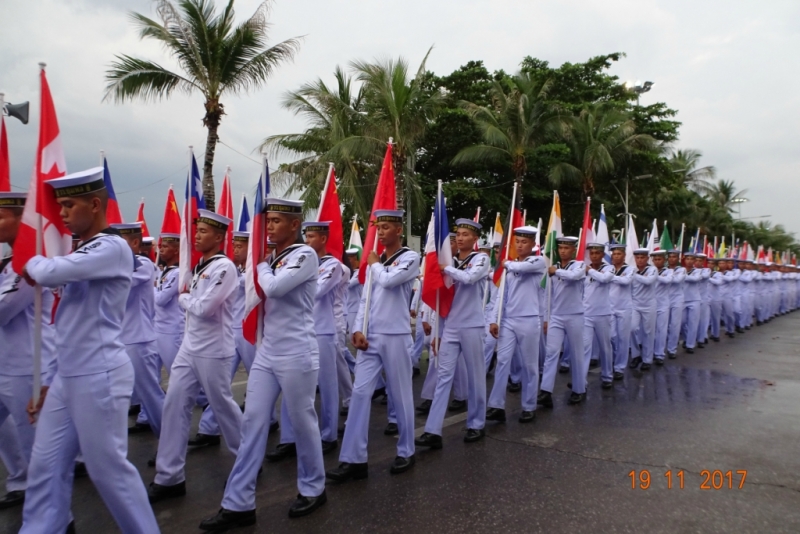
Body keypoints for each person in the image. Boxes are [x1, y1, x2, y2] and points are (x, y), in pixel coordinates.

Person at [21, 167, 159, 533]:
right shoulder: (84, 251)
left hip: (99, 373)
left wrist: (27, 254)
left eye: (68, 205)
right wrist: (50, 379)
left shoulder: (111, 246)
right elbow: (67, 324)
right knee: (45, 467)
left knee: (107, 470)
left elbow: (47, 273)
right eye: (59, 206)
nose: (62, 213)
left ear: (94, 204)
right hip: (69, 374)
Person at [200, 199, 327, 531]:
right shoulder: (269, 259)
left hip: (297, 352)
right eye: (267, 221)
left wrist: (258, 265)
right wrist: (261, 264)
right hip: (268, 352)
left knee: (302, 421)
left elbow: (274, 288)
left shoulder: (304, 256)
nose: (269, 226)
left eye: (276, 221)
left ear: (293, 225)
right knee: (253, 423)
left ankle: (314, 486)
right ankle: (238, 502)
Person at [149, 210, 241, 503]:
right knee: (175, 405)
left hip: (214, 349)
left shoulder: (224, 268)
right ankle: (169, 476)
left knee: (223, 407)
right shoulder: (199, 266)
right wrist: (188, 297)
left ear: (219, 237)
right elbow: (196, 305)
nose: (198, 235)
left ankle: (247, 459)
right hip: (190, 347)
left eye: (203, 231)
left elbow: (204, 308)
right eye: (197, 230)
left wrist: (182, 297)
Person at [327, 209, 420, 481]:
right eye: (378, 227)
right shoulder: (374, 263)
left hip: (396, 335)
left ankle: (406, 450)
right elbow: (366, 300)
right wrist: (357, 328)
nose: (381, 231)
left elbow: (389, 281)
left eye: (387, 227)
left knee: (401, 396)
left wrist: (375, 264)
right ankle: (353, 459)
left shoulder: (410, 258)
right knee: (359, 394)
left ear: (399, 230)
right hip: (372, 338)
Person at [0, 192, 56, 510]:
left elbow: (4, 310)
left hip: (28, 365)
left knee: (37, 445)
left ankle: (53, 514)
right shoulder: (7, 263)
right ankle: (20, 480)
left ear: (21, 220)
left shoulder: (30, 265)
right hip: (5, 361)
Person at [416, 218, 489, 450]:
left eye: (466, 234)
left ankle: (476, 423)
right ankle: (433, 430)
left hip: (472, 326)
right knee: (443, 376)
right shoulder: (452, 261)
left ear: (475, 238)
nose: (460, 237)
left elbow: (469, 278)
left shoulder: (481, 259)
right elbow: (444, 300)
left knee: (476, 376)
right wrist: (439, 330)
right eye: (458, 233)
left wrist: (445, 269)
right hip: (451, 326)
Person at [272, 221, 342, 456]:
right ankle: (289, 437)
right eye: (306, 235)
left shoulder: (333, 265)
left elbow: (316, 292)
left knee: (328, 385)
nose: (307, 239)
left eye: (311, 236)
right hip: (299, 330)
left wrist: (292, 284)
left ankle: (329, 433)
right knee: (291, 386)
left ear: (323, 239)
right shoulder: (295, 261)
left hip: (322, 330)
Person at [195, 231, 259, 443]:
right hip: (232, 331)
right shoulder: (235, 269)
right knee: (219, 386)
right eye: (235, 245)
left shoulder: (253, 271)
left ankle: (267, 420)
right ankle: (208, 427)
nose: (236, 249)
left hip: (249, 331)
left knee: (257, 381)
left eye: (241, 246)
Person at [484, 226, 545, 420]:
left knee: (529, 366)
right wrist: (494, 319)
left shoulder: (538, 261)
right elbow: (502, 295)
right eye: (517, 241)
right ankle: (496, 405)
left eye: (524, 242)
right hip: (508, 320)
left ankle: (529, 406)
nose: (519, 245)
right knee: (502, 362)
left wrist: (506, 264)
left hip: (529, 319)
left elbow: (523, 267)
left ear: (533, 243)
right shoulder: (509, 267)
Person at [112, 223, 164, 438]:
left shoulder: (143, 264)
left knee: (150, 395)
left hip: (138, 340)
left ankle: (169, 441)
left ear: (135, 243)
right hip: (117, 339)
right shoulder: (117, 264)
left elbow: (120, 282)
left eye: (119, 241)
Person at [540, 236, 586, 406]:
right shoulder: (554, 268)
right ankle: (546, 391)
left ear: (573, 250)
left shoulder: (579, 265)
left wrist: (556, 271)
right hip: (557, 316)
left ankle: (579, 389)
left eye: (566, 248)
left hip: (575, 315)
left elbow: (573, 277)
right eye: (560, 248)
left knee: (576, 353)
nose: (563, 251)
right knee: (551, 352)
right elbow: (547, 296)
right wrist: (546, 318)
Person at [582, 243, 615, 387]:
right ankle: (580, 381)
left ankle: (607, 376)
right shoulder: (584, 269)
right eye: (592, 253)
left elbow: (605, 279)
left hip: (603, 314)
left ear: (602, 255)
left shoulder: (609, 268)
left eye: (597, 253)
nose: (594, 255)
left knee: (605, 347)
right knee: (584, 347)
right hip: (587, 314)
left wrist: (589, 271)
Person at [629, 249, 657, 370]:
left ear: (647, 258)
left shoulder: (652, 270)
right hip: (635, 304)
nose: (639, 260)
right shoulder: (632, 270)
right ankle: (636, 355)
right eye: (637, 258)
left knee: (648, 332)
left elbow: (648, 281)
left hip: (649, 304)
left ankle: (647, 359)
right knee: (632, 328)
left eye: (642, 258)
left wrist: (634, 275)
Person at [608, 244, 633, 379]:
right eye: (614, 254)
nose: (616, 256)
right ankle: (613, 359)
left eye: (618, 254)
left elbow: (626, 281)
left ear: (624, 256)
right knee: (611, 336)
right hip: (610, 307)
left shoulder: (630, 269)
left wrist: (609, 277)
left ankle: (619, 367)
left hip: (624, 307)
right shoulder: (609, 268)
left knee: (623, 338)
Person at [650, 250, 673, 365]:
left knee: (661, 330)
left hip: (663, 304)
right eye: (655, 259)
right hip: (650, 304)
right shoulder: (648, 271)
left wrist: (654, 276)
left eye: (660, 259)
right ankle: (650, 352)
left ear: (664, 260)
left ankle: (659, 354)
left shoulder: (668, 271)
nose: (657, 261)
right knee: (650, 330)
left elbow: (667, 280)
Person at [665, 250, 686, 358]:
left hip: (677, 299)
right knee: (664, 325)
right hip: (665, 298)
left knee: (675, 324)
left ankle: (672, 349)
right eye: (670, 257)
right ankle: (664, 346)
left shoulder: (682, 270)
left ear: (678, 259)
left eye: (674, 257)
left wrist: (667, 276)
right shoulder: (664, 269)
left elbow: (677, 280)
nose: (672, 259)